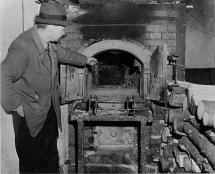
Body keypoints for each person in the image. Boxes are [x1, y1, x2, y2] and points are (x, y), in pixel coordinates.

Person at [1, 1, 96, 173]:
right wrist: (14, 105)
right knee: (32, 164)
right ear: (52, 26)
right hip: (29, 117)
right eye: (62, 28)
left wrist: (85, 60)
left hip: (48, 111)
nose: (63, 31)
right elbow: (2, 76)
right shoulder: (23, 47)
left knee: (50, 158)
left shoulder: (48, 43)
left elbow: (64, 54)